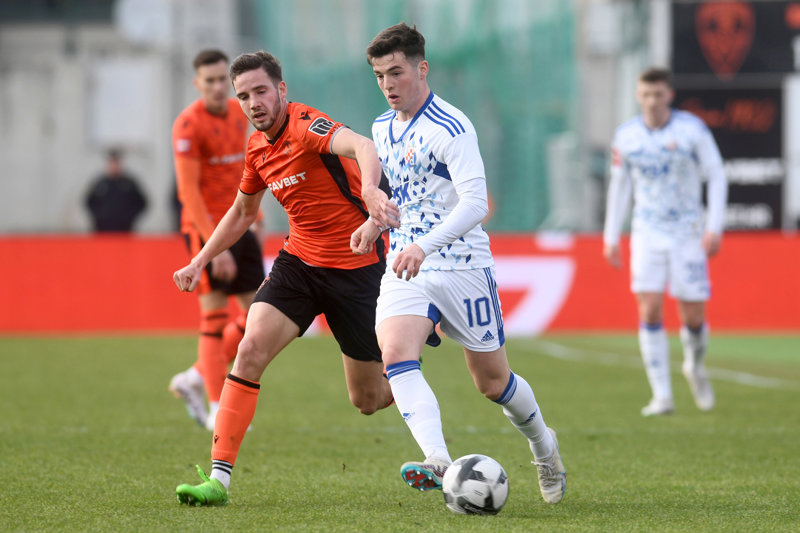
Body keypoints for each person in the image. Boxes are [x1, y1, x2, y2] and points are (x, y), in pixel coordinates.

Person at [350, 22, 566, 504]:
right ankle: (437, 458)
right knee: (395, 353)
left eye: (396, 72)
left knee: (492, 383)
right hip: (407, 263)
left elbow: (475, 204)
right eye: (379, 75)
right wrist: (375, 223)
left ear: (422, 69)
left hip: (462, 265)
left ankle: (544, 445)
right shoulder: (382, 127)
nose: (387, 84)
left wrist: (424, 246)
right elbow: (407, 193)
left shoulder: (452, 127)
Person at [173, 51, 394, 506]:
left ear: (281, 90)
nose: (253, 103)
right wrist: (200, 259)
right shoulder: (257, 148)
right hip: (299, 265)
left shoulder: (306, 125)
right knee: (249, 348)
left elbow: (364, 146)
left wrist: (371, 192)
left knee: (368, 400)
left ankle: (405, 363)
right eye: (244, 96)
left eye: (260, 91)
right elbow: (242, 212)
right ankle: (218, 480)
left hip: (356, 267)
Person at [603, 67, 728, 416]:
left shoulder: (692, 130)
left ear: (669, 95)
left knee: (693, 314)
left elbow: (716, 174)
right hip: (646, 232)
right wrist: (611, 235)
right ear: (637, 96)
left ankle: (694, 365)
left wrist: (714, 226)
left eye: (658, 94)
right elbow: (620, 186)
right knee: (649, 308)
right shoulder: (626, 136)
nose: (652, 101)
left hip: (688, 232)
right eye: (646, 94)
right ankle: (662, 396)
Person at [168, 49, 265, 431]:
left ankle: (194, 376)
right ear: (197, 84)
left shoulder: (239, 114)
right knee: (214, 316)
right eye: (209, 81)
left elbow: (244, 168)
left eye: (222, 79)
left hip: (238, 222)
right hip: (205, 229)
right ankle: (215, 407)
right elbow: (188, 193)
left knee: (259, 316)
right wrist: (214, 248)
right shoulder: (188, 125)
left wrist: (256, 216)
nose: (217, 86)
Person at [85, 148, 147, 232]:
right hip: (103, 230)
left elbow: (141, 203)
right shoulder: (100, 183)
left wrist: (129, 217)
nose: (114, 166)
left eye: (116, 163)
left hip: (124, 230)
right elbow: (89, 202)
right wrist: (99, 217)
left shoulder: (129, 184)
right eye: (112, 163)